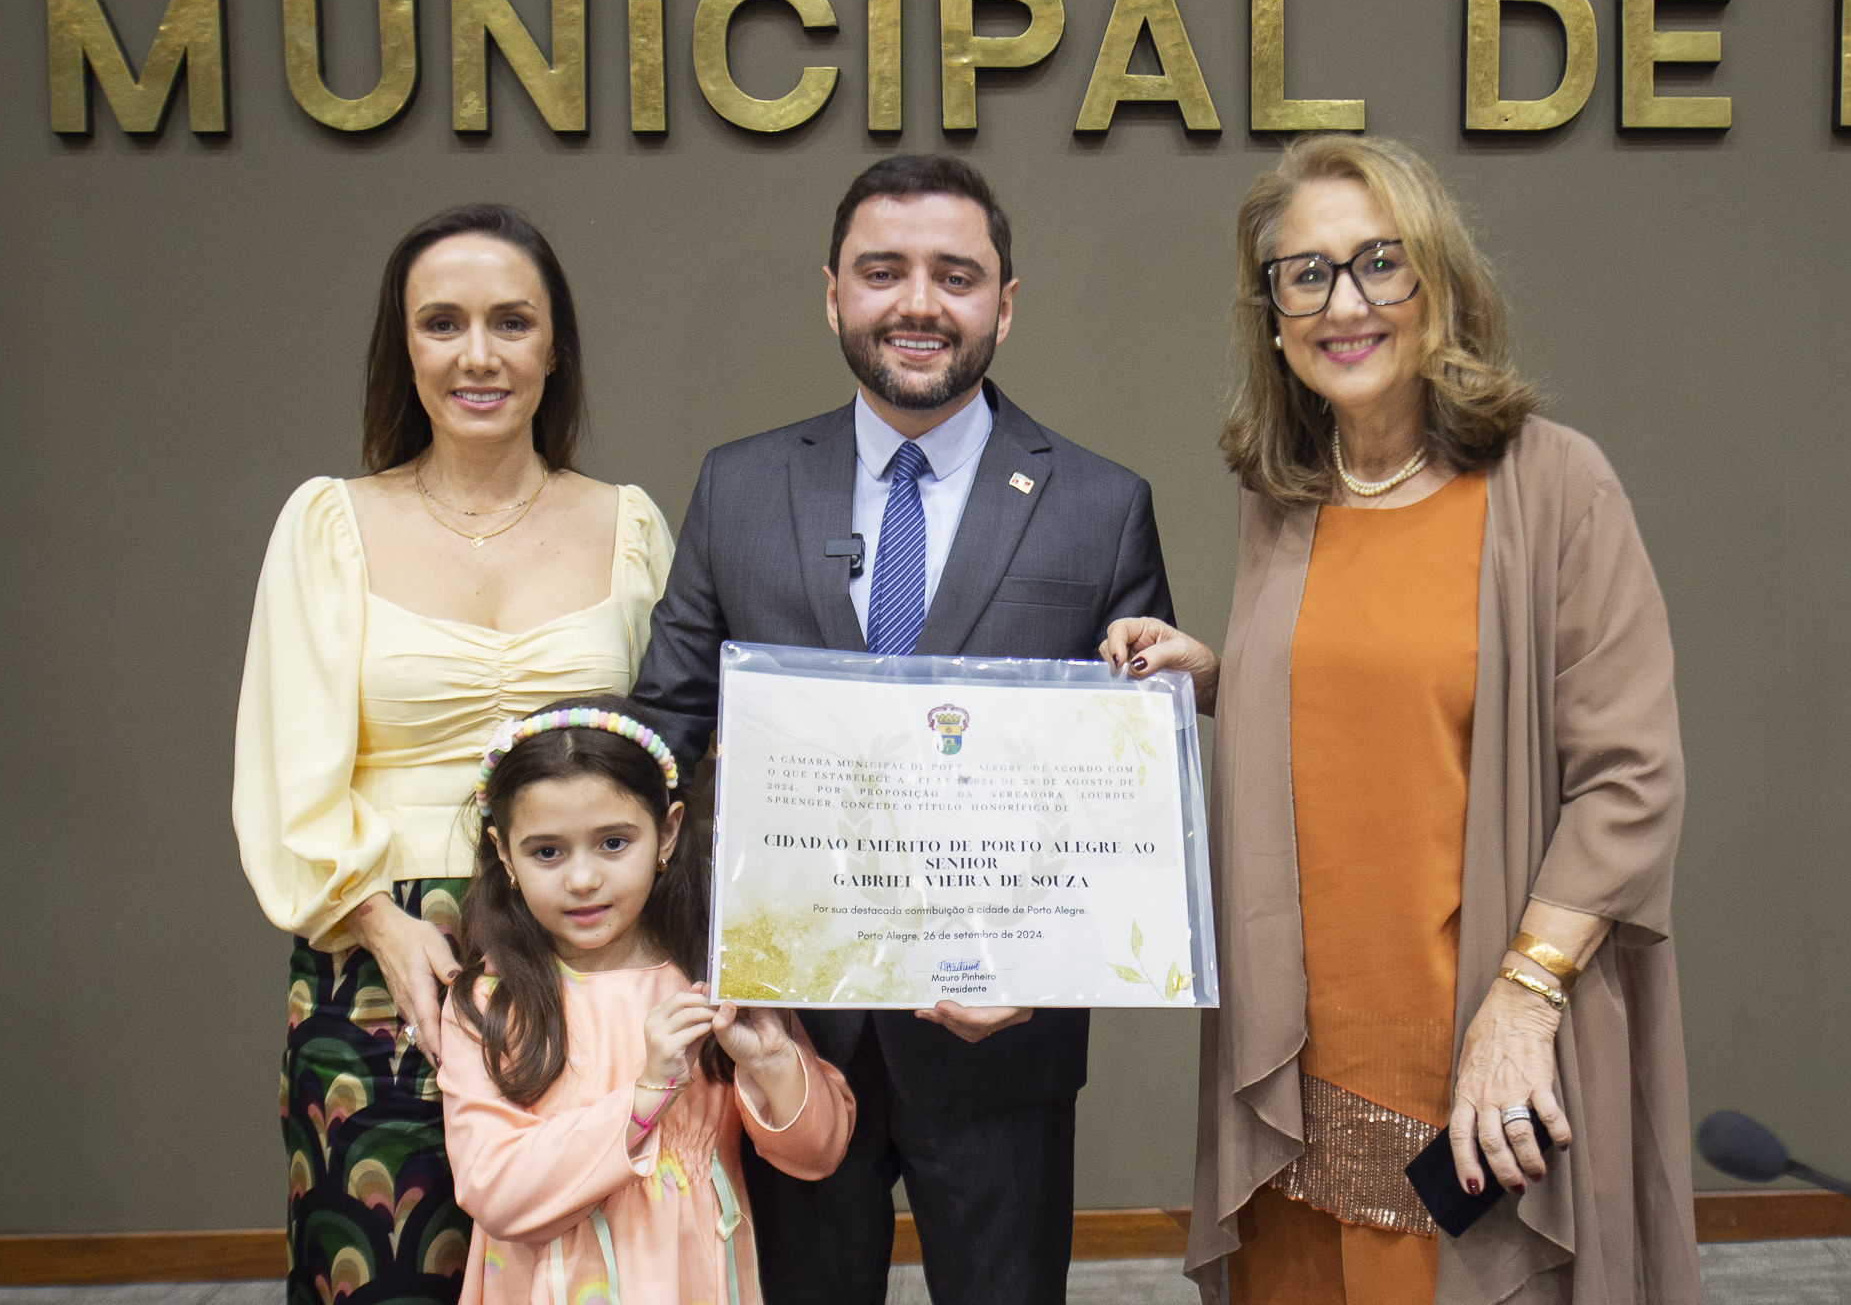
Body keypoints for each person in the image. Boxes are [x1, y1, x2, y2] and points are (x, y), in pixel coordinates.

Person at [1103, 135, 1700, 1305]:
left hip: (1478, 1043)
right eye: (1305, 273)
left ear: (1439, 284)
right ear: (1270, 312)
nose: (1344, 303)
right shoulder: (1283, 494)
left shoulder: (1553, 484)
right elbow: (1373, 695)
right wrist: (1218, 676)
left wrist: (1522, 1001)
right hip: (1297, 1055)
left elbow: (1629, 777)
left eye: (1379, 263)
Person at [631, 154, 1175, 1305]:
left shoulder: (1098, 503)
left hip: (999, 1039)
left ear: (1004, 304)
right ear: (833, 294)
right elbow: (664, 739)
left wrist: (1042, 958)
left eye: (954, 274)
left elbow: (1121, 787)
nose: (917, 303)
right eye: (883, 271)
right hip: (785, 1032)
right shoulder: (738, 486)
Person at [233, 204, 675, 1304]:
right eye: (441, 323)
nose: (477, 354)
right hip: (384, 952)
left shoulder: (629, 526)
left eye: (510, 321)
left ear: (553, 344)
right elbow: (286, 766)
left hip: (588, 945)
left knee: (596, 1266)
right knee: (381, 1272)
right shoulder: (327, 523)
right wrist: (377, 920)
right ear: (404, 345)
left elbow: (676, 756)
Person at [439, 695, 855, 1305]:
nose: (582, 879)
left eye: (613, 843)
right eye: (547, 851)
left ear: (667, 834)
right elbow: (493, 1188)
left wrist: (771, 1061)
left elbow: (818, 1152)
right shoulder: (490, 1002)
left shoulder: (712, 980)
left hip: (692, 1276)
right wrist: (643, 1097)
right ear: (505, 855)